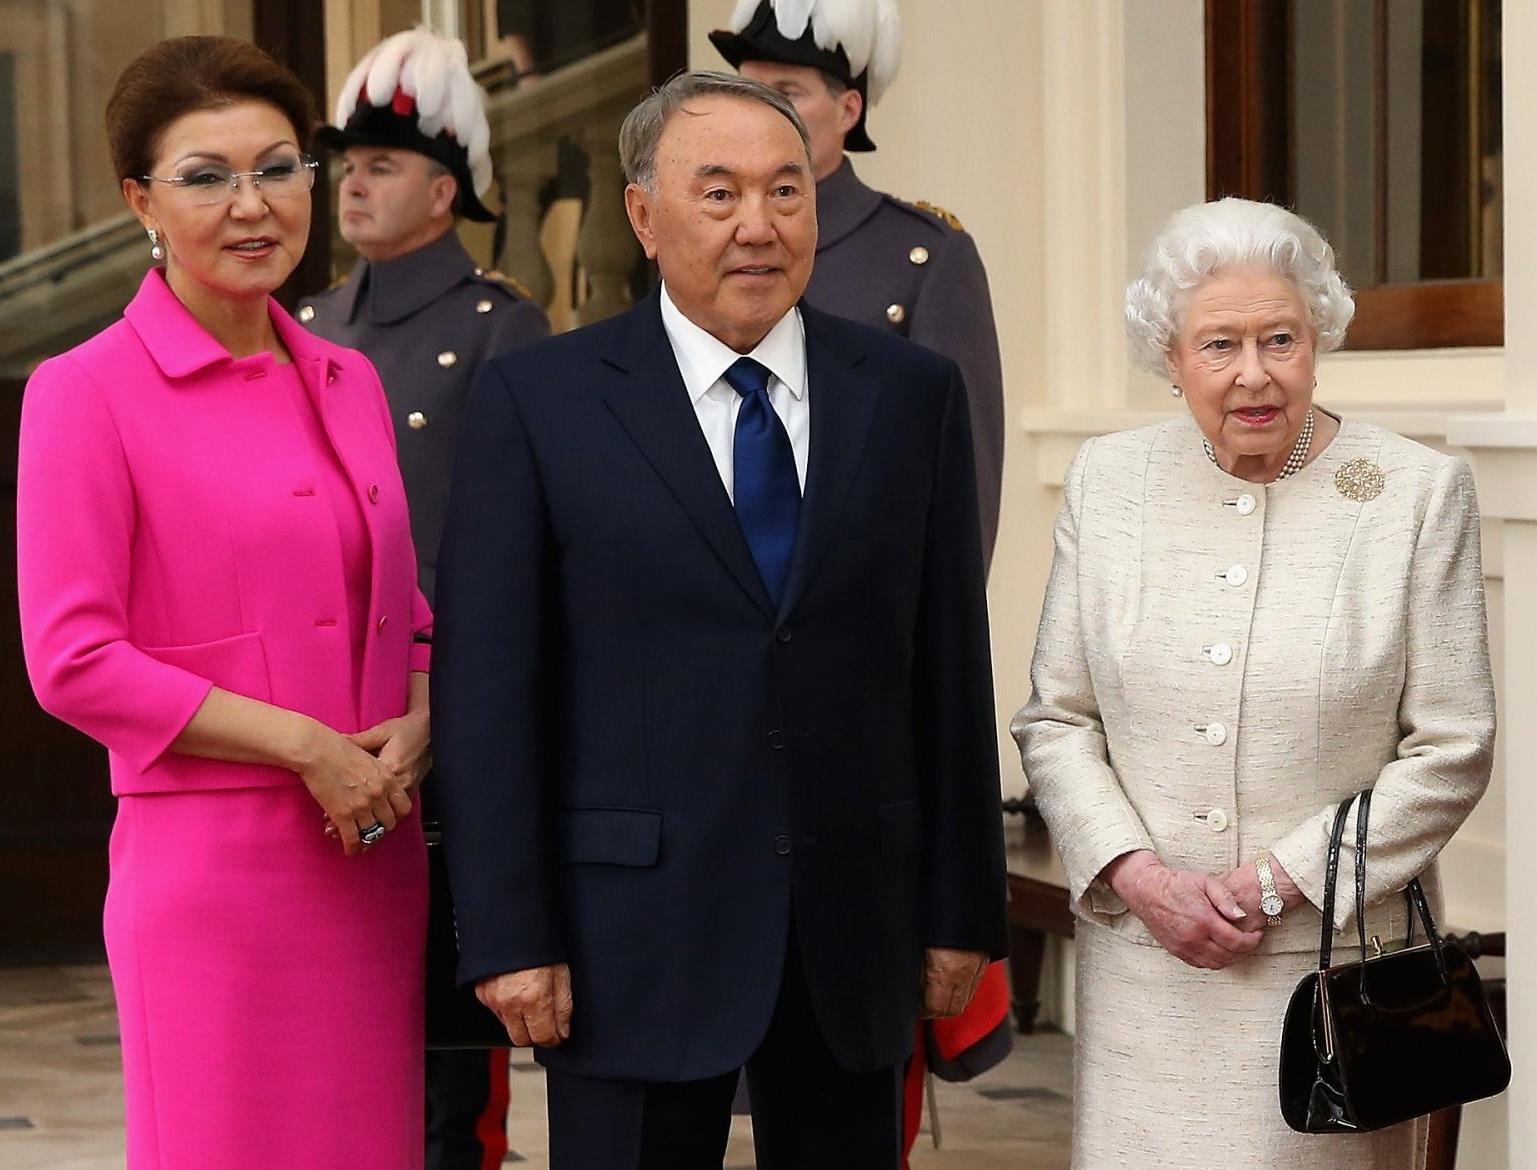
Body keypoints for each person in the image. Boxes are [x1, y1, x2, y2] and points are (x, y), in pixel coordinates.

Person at [432, 70, 1008, 1170]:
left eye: (787, 193)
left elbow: (946, 670)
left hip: (851, 929)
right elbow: (491, 696)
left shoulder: (908, 396)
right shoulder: (541, 404)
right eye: (721, 193)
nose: (760, 226)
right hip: (627, 937)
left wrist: (959, 906)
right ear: (645, 216)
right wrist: (509, 934)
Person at [1010, 197, 1496, 1169]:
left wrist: (1280, 884)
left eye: (1280, 338)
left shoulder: (1412, 493)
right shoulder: (1111, 483)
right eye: (1219, 344)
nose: (1254, 374)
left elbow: (1452, 747)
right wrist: (1137, 877)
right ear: (1172, 357)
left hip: (1328, 981)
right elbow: (1056, 718)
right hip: (1148, 967)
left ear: (1318, 335)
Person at [15, 37, 431, 1170]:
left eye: (279, 168)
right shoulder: (83, 393)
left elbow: (403, 598)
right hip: (214, 887)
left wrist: (425, 712)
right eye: (207, 176)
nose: (252, 206)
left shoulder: (351, 379)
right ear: (140, 199)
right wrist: (306, 745)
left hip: (372, 865)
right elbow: (72, 657)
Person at [296, 27, 550, 1170]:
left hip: (448, 724)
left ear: (446, 190)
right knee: (340, 1028)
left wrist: (446, 707)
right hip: (321, 713)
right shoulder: (302, 331)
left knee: (452, 1052)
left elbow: (517, 552)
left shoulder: (504, 329)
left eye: (383, 164)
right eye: (347, 162)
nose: (352, 180)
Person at [710, 0, 1004, 571]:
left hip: (863, 597)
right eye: (748, 93)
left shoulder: (926, 256)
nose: (763, 115)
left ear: (848, 108)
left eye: (788, 93)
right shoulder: (707, 243)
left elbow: (965, 481)